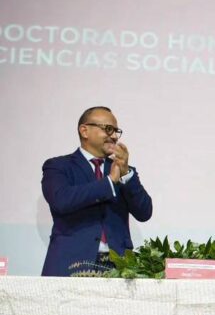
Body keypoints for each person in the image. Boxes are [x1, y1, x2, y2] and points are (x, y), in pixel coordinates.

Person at [41, 106, 153, 277]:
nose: (114, 136)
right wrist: (109, 182)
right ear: (84, 131)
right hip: (71, 263)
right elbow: (61, 201)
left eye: (116, 131)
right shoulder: (58, 166)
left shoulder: (122, 169)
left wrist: (126, 175)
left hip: (118, 267)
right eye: (108, 129)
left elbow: (145, 212)